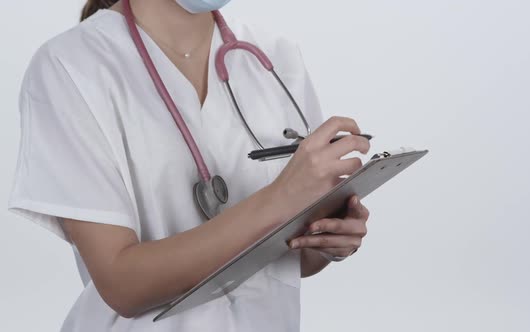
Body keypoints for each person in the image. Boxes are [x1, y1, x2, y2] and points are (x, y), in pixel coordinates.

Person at [7, 0, 371, 331]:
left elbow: (292, 258)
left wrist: (324, 240)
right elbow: (122, 285)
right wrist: (280, 199)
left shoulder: (274, 56)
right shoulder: (70, 66)